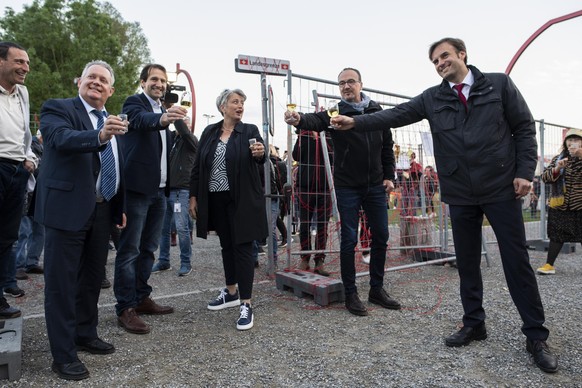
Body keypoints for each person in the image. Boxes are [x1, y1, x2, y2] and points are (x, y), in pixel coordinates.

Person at [330, 37, 558, 373]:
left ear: (462, 55)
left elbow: (524, 128)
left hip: (499, 187)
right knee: (466, 263)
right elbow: (394, 115)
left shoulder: (498, 84)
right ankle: (473, 323)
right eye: (435, 60)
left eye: (445, 56)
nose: (440, 63)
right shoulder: (432, 97)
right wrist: (355, 122)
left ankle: (536, 335)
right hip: (460, 191)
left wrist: (525, 171)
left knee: (516, 262)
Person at [35, 60, 127, 380]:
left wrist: (118, 206)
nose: (97, 82)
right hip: (66, 208)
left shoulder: (112, 120)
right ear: (79, 81)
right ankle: (63, 355)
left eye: (103, 80)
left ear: (111, 90)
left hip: (102, 210)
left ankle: (85, 334)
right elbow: (61, 140)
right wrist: (99, 134)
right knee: (61, 285)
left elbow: (115, 164)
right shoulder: (57, 109)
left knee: (91, 280)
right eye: (91, 77)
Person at [284, 68, 400, 316]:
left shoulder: (376, 111)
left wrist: (389, 176)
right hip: (348, 185)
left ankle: (376, 289)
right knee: (348, 239)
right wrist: (298, 119)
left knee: (381, 235)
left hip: (376, 185)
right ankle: (351, 293)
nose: (346, 86)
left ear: (361, 84)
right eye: (341, 84)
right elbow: (314, 120)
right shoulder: (335, 112)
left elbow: (387, 147)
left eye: (350, 82)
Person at [114, 64, 185, 334]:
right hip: (137, 190)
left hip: (161, 191)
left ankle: (141, 297)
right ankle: (125, 307)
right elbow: (138, 121)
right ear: (143, 82)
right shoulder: (135, 103)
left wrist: (165, 118)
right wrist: (163, 120)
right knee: (129, 250)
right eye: (154, 79)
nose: (159, 84)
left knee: (148, 249)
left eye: (163, 80)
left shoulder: (161, 109)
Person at [189, 88, 267, 331]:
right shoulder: (210, 131)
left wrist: (260, 153)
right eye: (235, 102)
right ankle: (231, 292)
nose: (240, 105)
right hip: (215, 199)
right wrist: (193, 196)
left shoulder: (249, 131)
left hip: (241, 199)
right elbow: (198, 166)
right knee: (226, 246)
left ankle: (246, 303)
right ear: (223, 107)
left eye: (242, 102)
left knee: (242, 247)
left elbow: (259, 154)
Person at [0, 42, 37, 319]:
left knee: (7, 237)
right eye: (19, 62)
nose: (25, 68)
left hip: (16, 170)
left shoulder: (22, 93)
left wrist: (30, 159)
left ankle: (0, 296)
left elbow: (25, 133)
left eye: (26, 63)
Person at [152, 96, 198, 276]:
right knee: (163, 229)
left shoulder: (191, 141)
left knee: (181, 228)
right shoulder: (173, 142)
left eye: (184, 124)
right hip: (167, 191)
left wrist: (175, 113)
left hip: (182, 192)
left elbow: (183, 130)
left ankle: (186, 262)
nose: (181, 126)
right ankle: (164, 261)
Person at [4, 129, 44, 298]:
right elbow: (30, 169)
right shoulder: (32, 146)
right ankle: (17, 270)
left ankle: (30, 263)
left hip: (36, 197)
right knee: (20, 235)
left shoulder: (39, 148)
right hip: (25, 196)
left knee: (37, 232)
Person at [536, 128, 582, 275]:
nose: (572, 143)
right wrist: (557, 169)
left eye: (576, 140)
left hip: (580, 204)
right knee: (557, 235)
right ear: (565, 142)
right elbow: (544, 178)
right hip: (560, 204)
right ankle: (549, 265)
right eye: (570, 140)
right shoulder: (558, 158)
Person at [292, 129, 333, 275]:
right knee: (304, 225)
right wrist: (301, 136)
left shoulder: (328, 135)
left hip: (325, 187)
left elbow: (334, 156)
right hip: (305, 187)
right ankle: (305, 258)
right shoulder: (304, 135)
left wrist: (324, 137)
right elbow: (295, 155)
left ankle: (319, 260)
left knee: (323, 226)